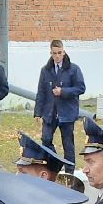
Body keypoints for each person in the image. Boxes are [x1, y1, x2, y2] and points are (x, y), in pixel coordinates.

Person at [34, 39, 85, 168]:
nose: (57, 56)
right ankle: (55, 164)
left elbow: (80, 88)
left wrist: (63, 91)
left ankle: (69, 173)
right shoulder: (45, 70)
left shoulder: (73, 69)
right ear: (50, 53)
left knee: (68, 144)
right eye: (54, 53)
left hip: (67, 113)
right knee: (45, 140)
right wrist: (37, 112)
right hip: (50, 112)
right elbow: (41, 92)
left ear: (64, 52)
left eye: (59, 53)